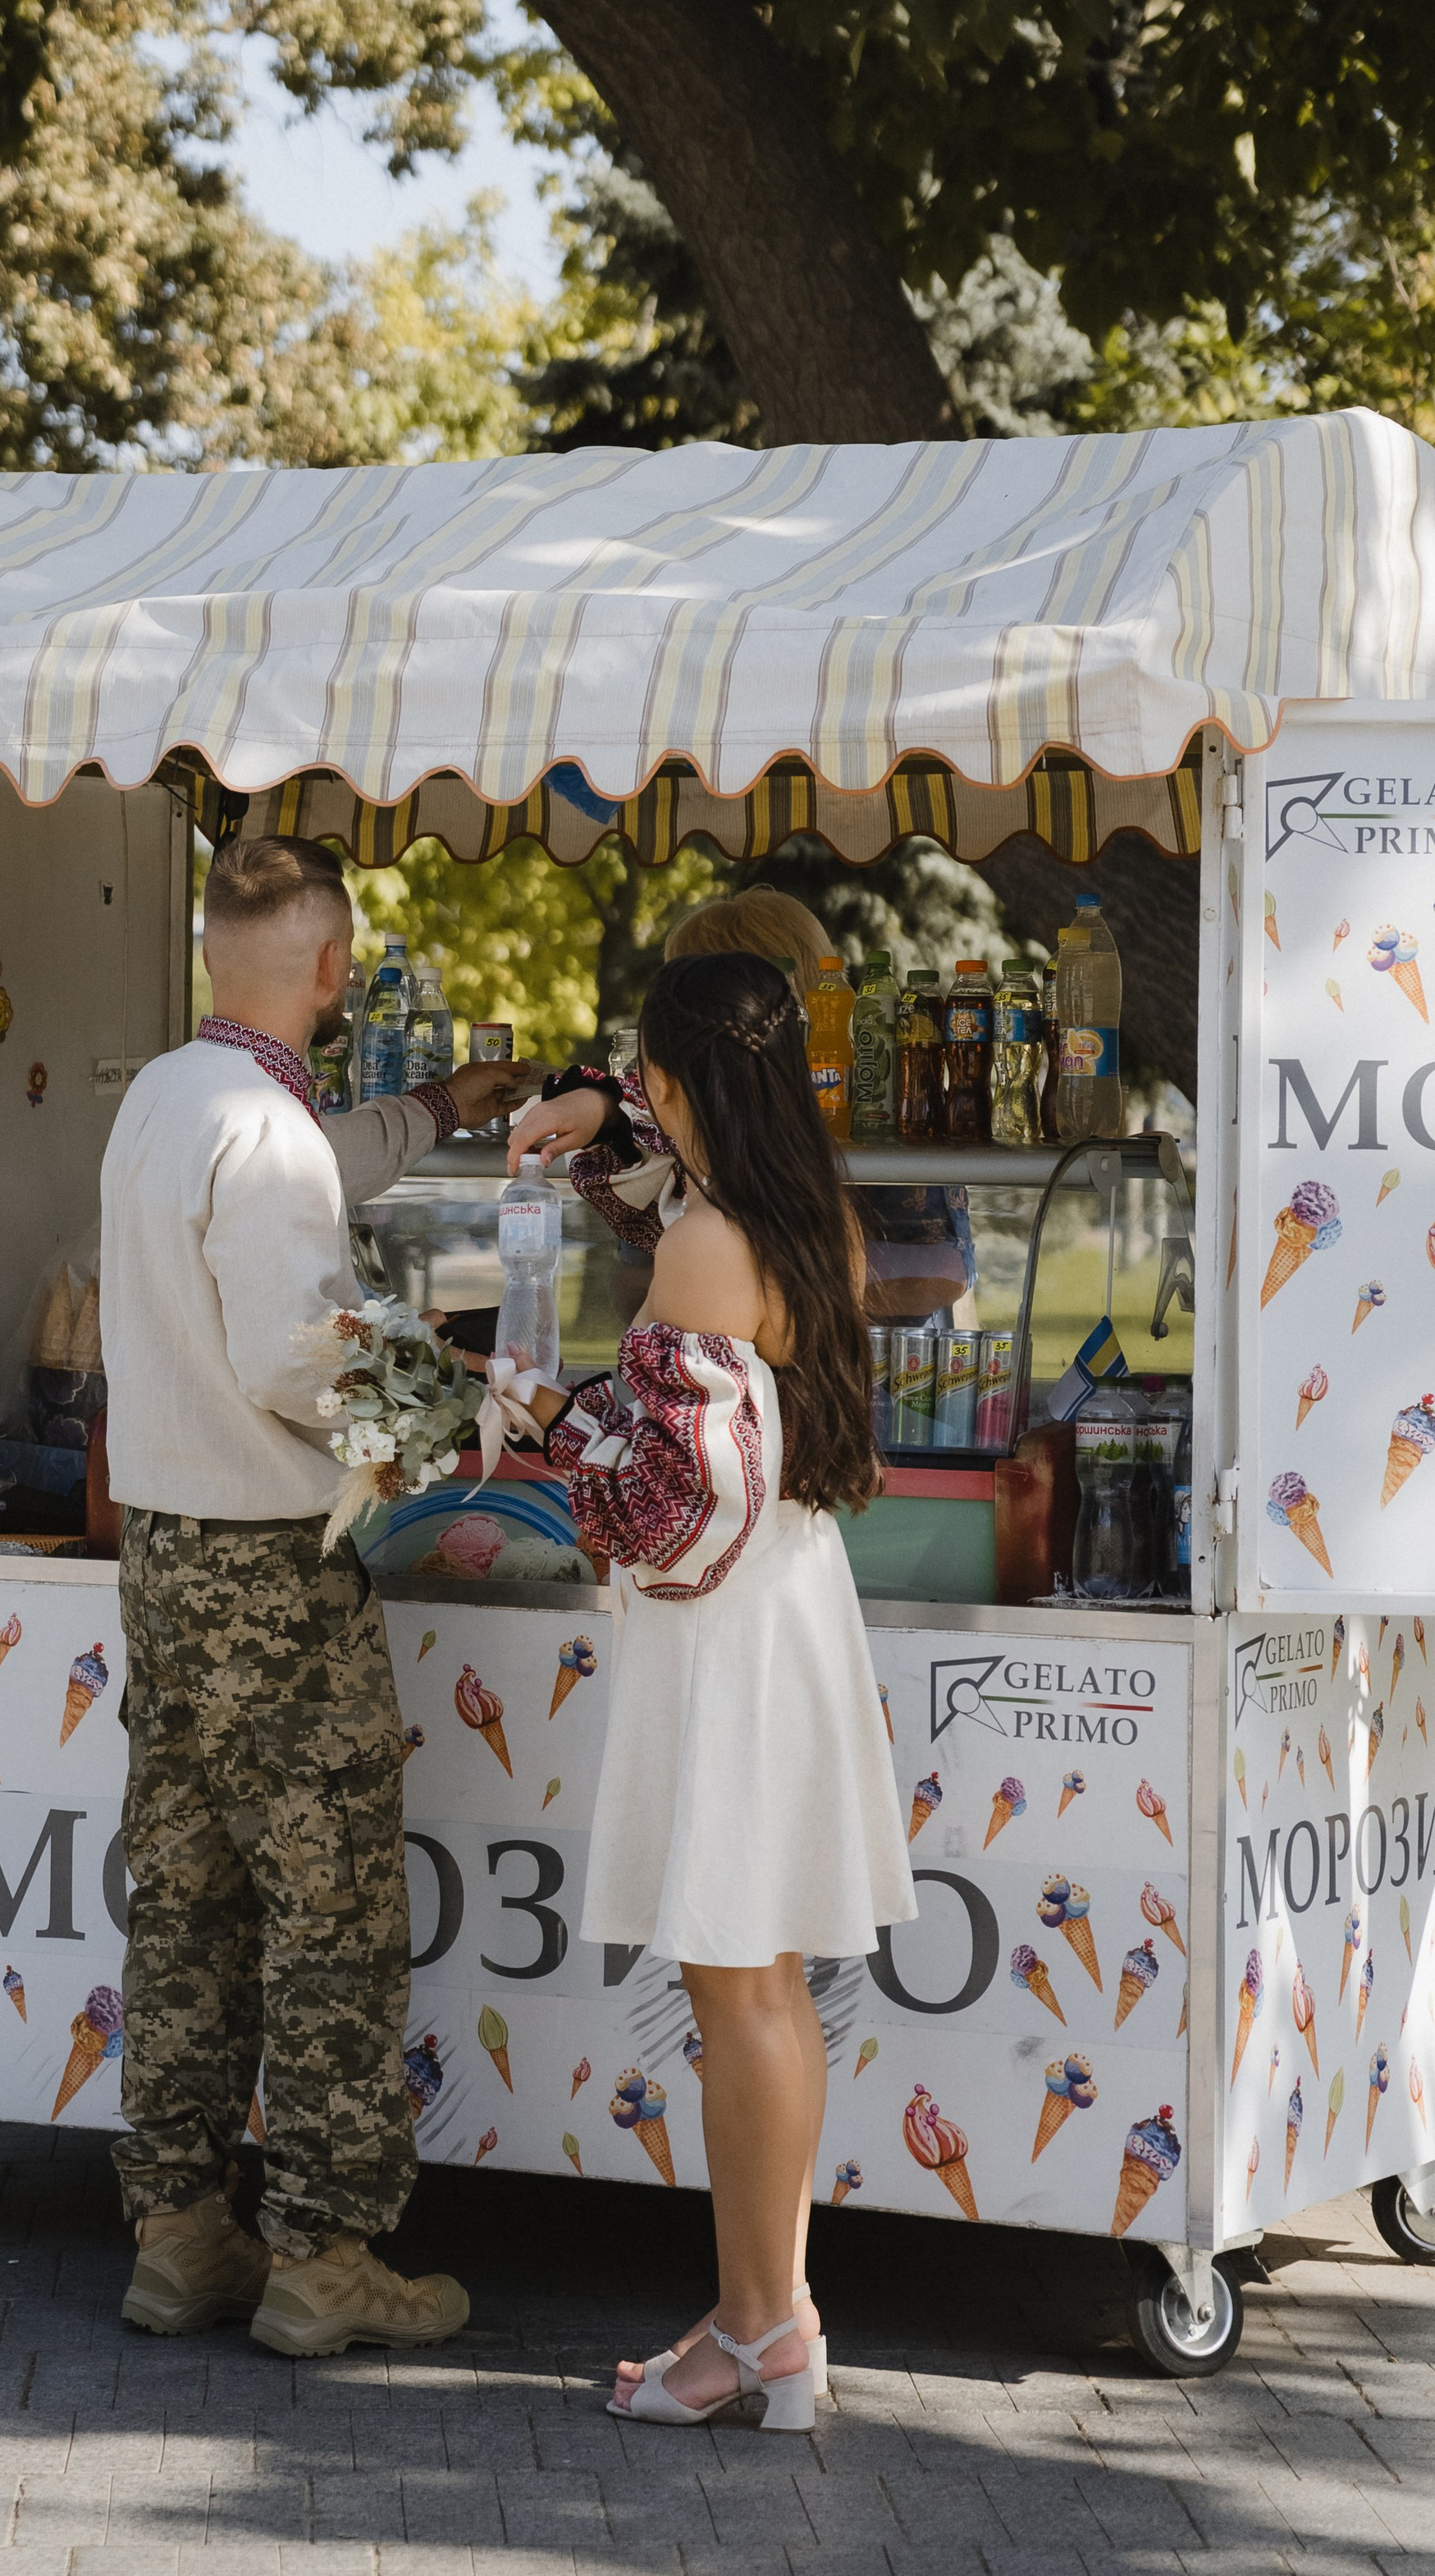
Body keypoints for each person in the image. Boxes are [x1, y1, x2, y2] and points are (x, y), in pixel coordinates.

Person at [98, 832, 516, 2359]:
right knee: (331, 1913)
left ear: (217, 949)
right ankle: (325, 2255)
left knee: (189, 1908)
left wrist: (432, 1113)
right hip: (273, 1571)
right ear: (335, 970)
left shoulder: (167, 1099)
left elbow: (303, 1170)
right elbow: (300, 1352)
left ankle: (176, 2234)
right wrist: (450, 1401)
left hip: (162, 1561)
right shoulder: (262, 1134)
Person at [506, 951, 915, 2427]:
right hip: (794, 1608)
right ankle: (774, 2319)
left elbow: (661, 1500)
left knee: (732, 1989)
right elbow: (656, 1173)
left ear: (686, 1085)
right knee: (773, 1988)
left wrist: (550, 1418)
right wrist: (599, 1104)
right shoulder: (811, 1221)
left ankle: (756, 2330)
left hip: (722, 1634)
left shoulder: (702, 1252)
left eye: (650, 1079)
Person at [532, 883, 974, 1322]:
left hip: (905, 1375)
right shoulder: (677, 1126)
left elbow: (941, 1274)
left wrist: (748, 1283)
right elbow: (638, 1285)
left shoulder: (872, 1105)